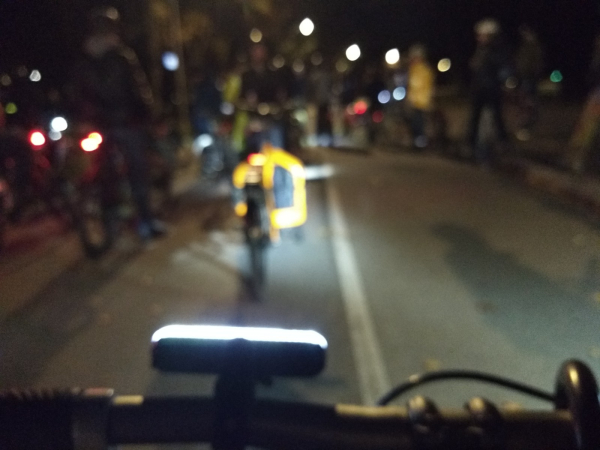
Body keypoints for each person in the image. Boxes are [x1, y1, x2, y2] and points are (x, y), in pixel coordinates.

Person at [70, 7, 165, 240]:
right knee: (137, 171)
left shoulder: (84, 59)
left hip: (98, 126)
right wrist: (151, 115)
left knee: (104, 172)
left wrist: (82, 119)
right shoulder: (123, 56)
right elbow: (139, 90)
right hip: (126, 123)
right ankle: (146, 223)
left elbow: (76, 94)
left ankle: (109, 218)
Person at [467, 19, 511, 164]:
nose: (479, 38)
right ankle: (470, 146)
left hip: (491, 90)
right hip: (480, 89)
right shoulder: (481, 49)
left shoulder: (496, 51)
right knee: (475, 118)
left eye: (482, 35)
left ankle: (503, 144)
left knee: (496, 118)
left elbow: (502, 69)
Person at [515, 25, 544, 139]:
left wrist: (532, 74)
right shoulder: (525, 47)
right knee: (524, 103)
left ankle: (526, 128)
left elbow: (537, 65)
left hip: (530, 79)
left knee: (529, 104)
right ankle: (524, 126)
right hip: (523, 79)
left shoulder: (535, 47)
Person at [407, 44, 435, 149]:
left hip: (422, 103)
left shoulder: (426, 70)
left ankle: (421, 144)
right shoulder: (412, 69)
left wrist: (428, 101)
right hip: (414, 102)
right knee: (414, 124)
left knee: (420, 124)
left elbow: (429, 87)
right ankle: (416, 143)